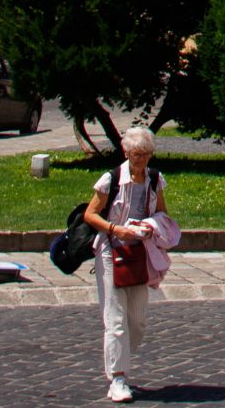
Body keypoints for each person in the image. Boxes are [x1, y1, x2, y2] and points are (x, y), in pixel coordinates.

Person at [86, 124, 169, 402]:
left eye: (145, 154)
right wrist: (115, 229)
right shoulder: (110, 179)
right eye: (136, 154)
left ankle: (118, 357)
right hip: (111, 251)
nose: (140, 160)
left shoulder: (155, 180)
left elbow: (162, 214)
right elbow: (90, 214)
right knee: (116, 319)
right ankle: (118, 379)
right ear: (126, 152)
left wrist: (150, 226)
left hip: (139, 253)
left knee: (139, 321)